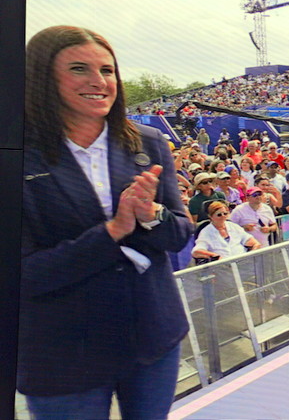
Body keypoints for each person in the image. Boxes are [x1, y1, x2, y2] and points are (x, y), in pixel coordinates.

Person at [20, 26, 194, 419]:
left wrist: (151, 216)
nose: (99, 82)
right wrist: (114, 230)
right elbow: (25, 273)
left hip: (152, 336)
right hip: (62, 351)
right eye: (80, 69)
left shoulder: (147, 143)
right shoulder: (19, 153)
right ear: (41, 76)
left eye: (108, 70)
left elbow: (179, 233)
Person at [192, 201, 261, 260]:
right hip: (222, 269)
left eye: (225, 214)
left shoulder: (234, 226)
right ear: (210, 216)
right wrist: (215, 256)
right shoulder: (206, 232)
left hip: (243, 263)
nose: (223, 216)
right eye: (219, 215)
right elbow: (196, 251)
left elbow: (253, 242)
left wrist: (252, 254)